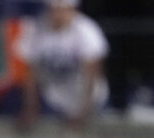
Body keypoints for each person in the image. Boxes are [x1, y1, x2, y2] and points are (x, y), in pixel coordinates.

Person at [13, 0, 109, 131]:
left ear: (73, 9)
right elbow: (30, 74)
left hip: (87, 98)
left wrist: (84, 113)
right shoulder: (37, 29)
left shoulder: (86, 30)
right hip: (54, 99)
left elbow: (92, 76)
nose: (58, 14)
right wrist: (30, 109)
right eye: (54, 9)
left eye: (63, 9)